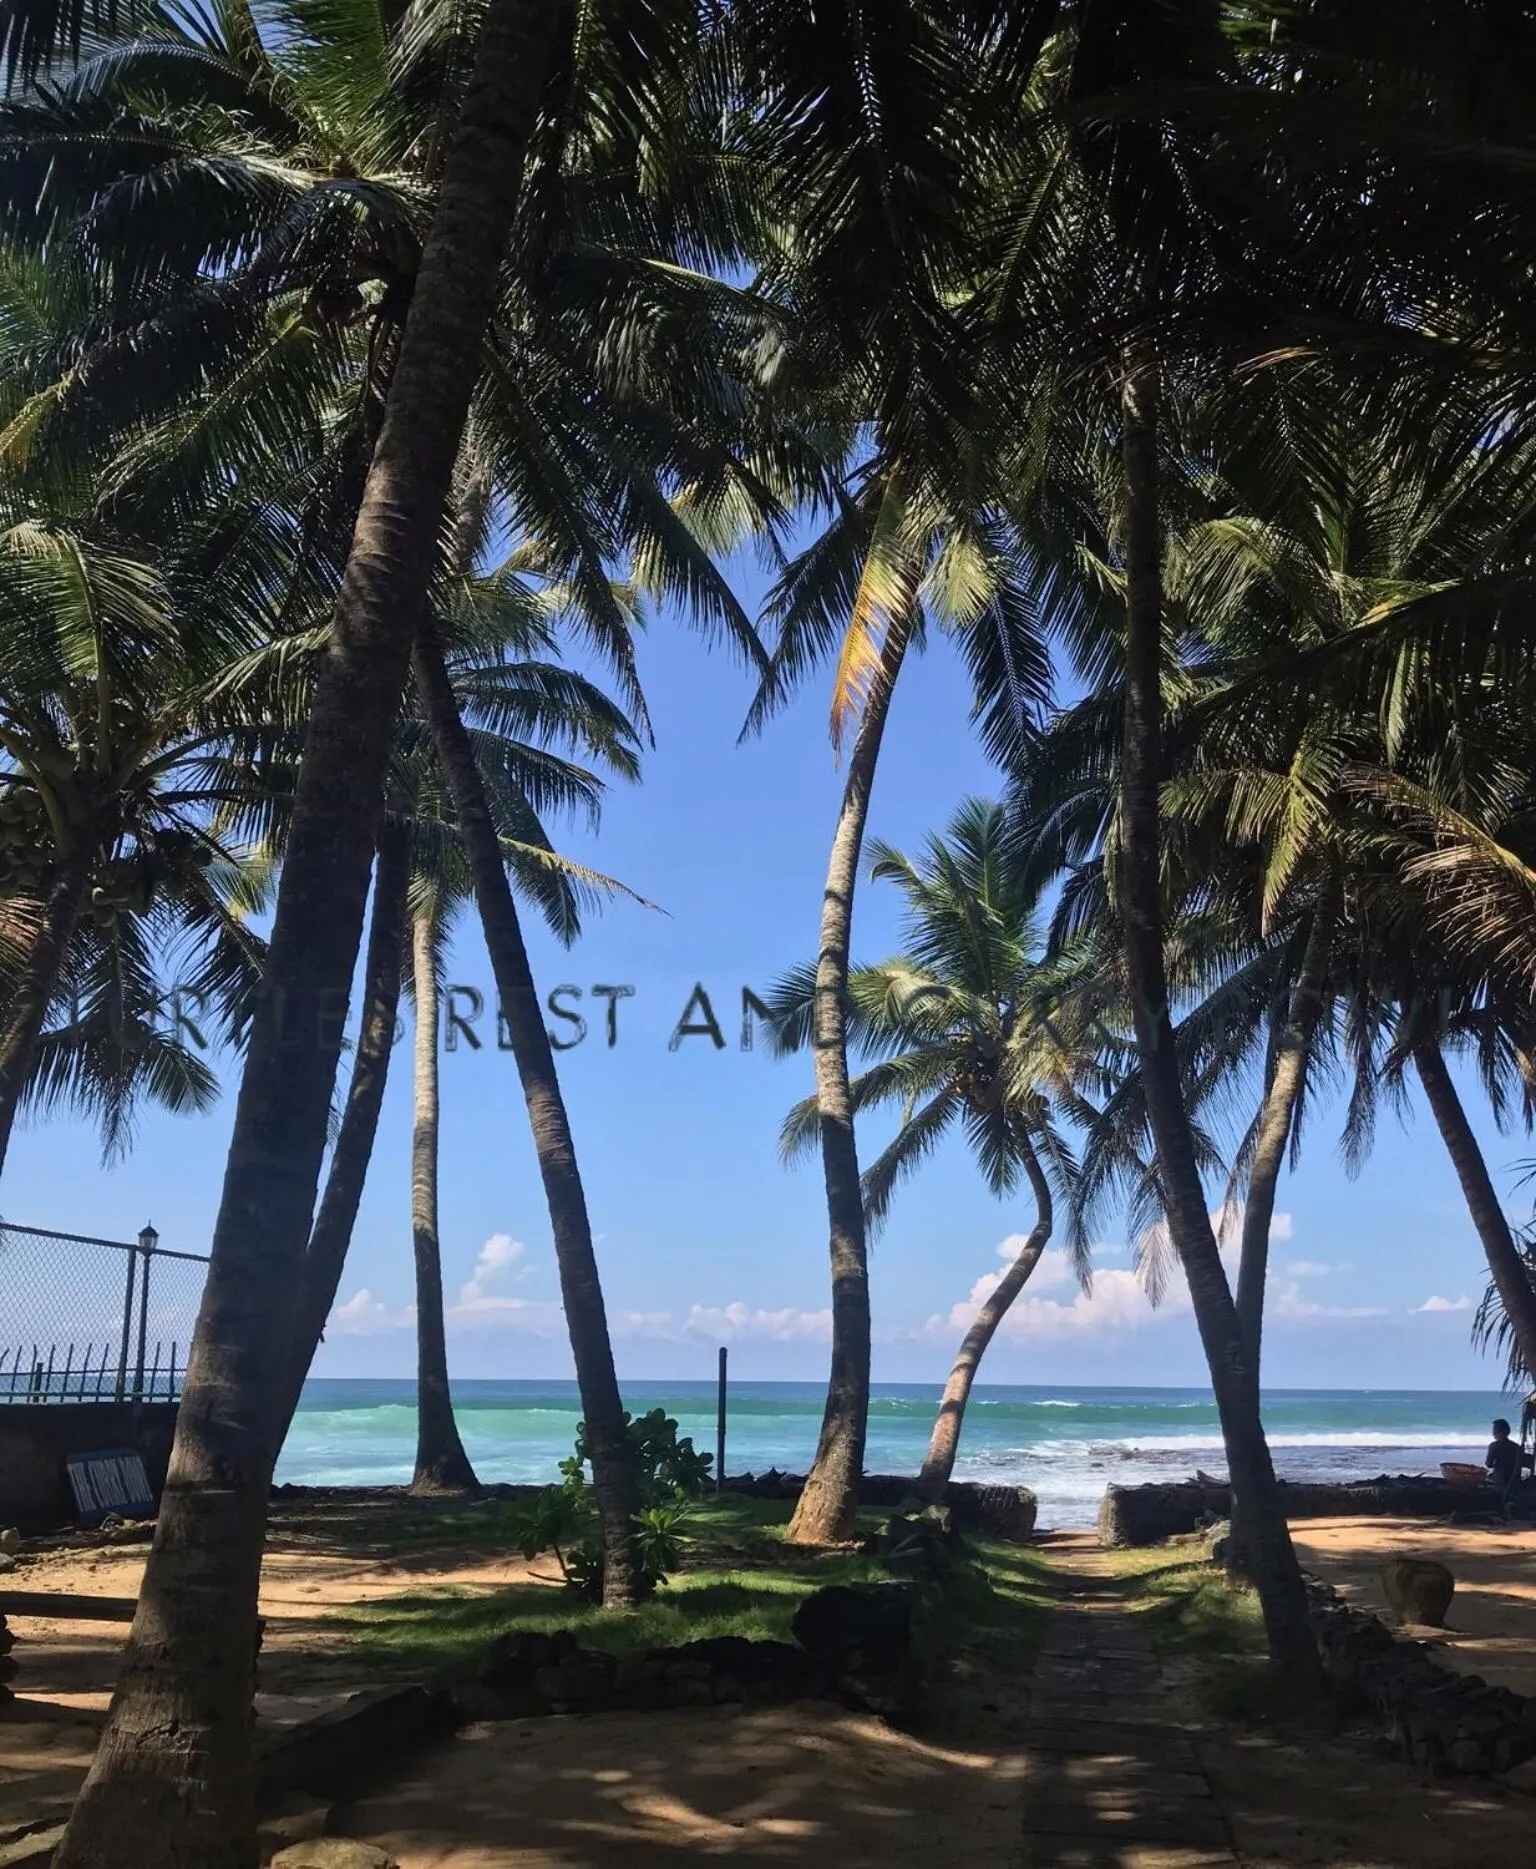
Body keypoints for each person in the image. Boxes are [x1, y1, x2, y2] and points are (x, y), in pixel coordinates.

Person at [1485, 1418, 1532, 1516]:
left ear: (1497, 1431)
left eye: (1494, 1429)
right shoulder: (1516, 1447)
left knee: (1487, 1478)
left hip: (1501, 1481)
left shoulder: (1494, 1446)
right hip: (1515, 1480)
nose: (1493, 1432)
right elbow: (1526, 1463)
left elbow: (1489, 1464)